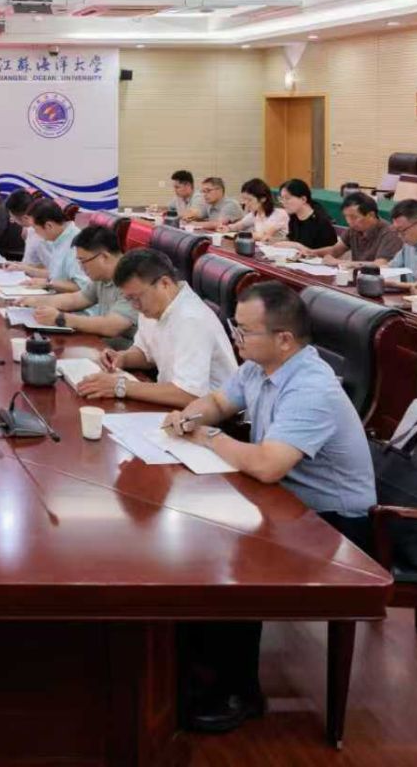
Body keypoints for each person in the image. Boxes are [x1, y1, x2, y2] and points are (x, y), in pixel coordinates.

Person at [165, 282, 377, 734]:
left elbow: (266, 465)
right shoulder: (258, 367)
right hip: (287, 501)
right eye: (235, 328)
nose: (236, 339)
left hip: (337, 526)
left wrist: (207, 436)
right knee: (195, 536)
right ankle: (195, 663)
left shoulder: (311, 387)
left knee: (234, 557)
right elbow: (219, 401)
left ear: (284, 339)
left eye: (245, 331)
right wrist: (190, 416)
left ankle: (238, 691)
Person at [76, 249, 236, 406]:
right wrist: (122, 358)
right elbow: (147, 354)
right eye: (129, 299)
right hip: (175, 404)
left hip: (214, 414)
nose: (135, 306)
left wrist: (119, 386)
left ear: (164, 283)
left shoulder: (191, 320)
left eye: (136, 298)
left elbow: (189, 394)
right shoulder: (153, 307)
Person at [30, 225, 141, 342]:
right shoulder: (102, 277)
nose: (81, 268)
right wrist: (34, 301)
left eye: (83, 261)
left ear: (104, 257)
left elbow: (111, 326)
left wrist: (60, 318)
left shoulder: (132, 280)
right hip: (106, 343)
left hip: (125, 348)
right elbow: (77, 299)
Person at [315, 192, 402, 265]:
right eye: (346, 217)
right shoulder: (354, 229)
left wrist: (339, 262)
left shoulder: (390, 233)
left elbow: (380, 264)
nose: (349, 222)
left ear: (371, 215)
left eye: (353, 217)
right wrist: (312, 252)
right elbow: (335, 251)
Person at [20, 199, 83, 291]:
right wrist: (22, 268)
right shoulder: (59, 239)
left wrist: (48, 284)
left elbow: (82, 288)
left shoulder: (76, 245)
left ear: (49, 226)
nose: (35, 233)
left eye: (35, 228)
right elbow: (56, 275)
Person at [271, 179, 337, 252]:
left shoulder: (321, 222)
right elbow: (291, 239)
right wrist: (274, 241)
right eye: (281, 198)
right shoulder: (294, 217)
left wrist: (297, 246)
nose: (283, 202)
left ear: (303, 199)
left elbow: (331, 252)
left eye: (287, 198)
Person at [224, 179, 287, 243]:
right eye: (244, 199)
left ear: (263, 199)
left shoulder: (280, 214)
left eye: (249, 200)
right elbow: (239, 225)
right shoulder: (255, 213)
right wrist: (228, 228)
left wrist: (241, 234)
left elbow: (262, 235)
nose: (245, 203)